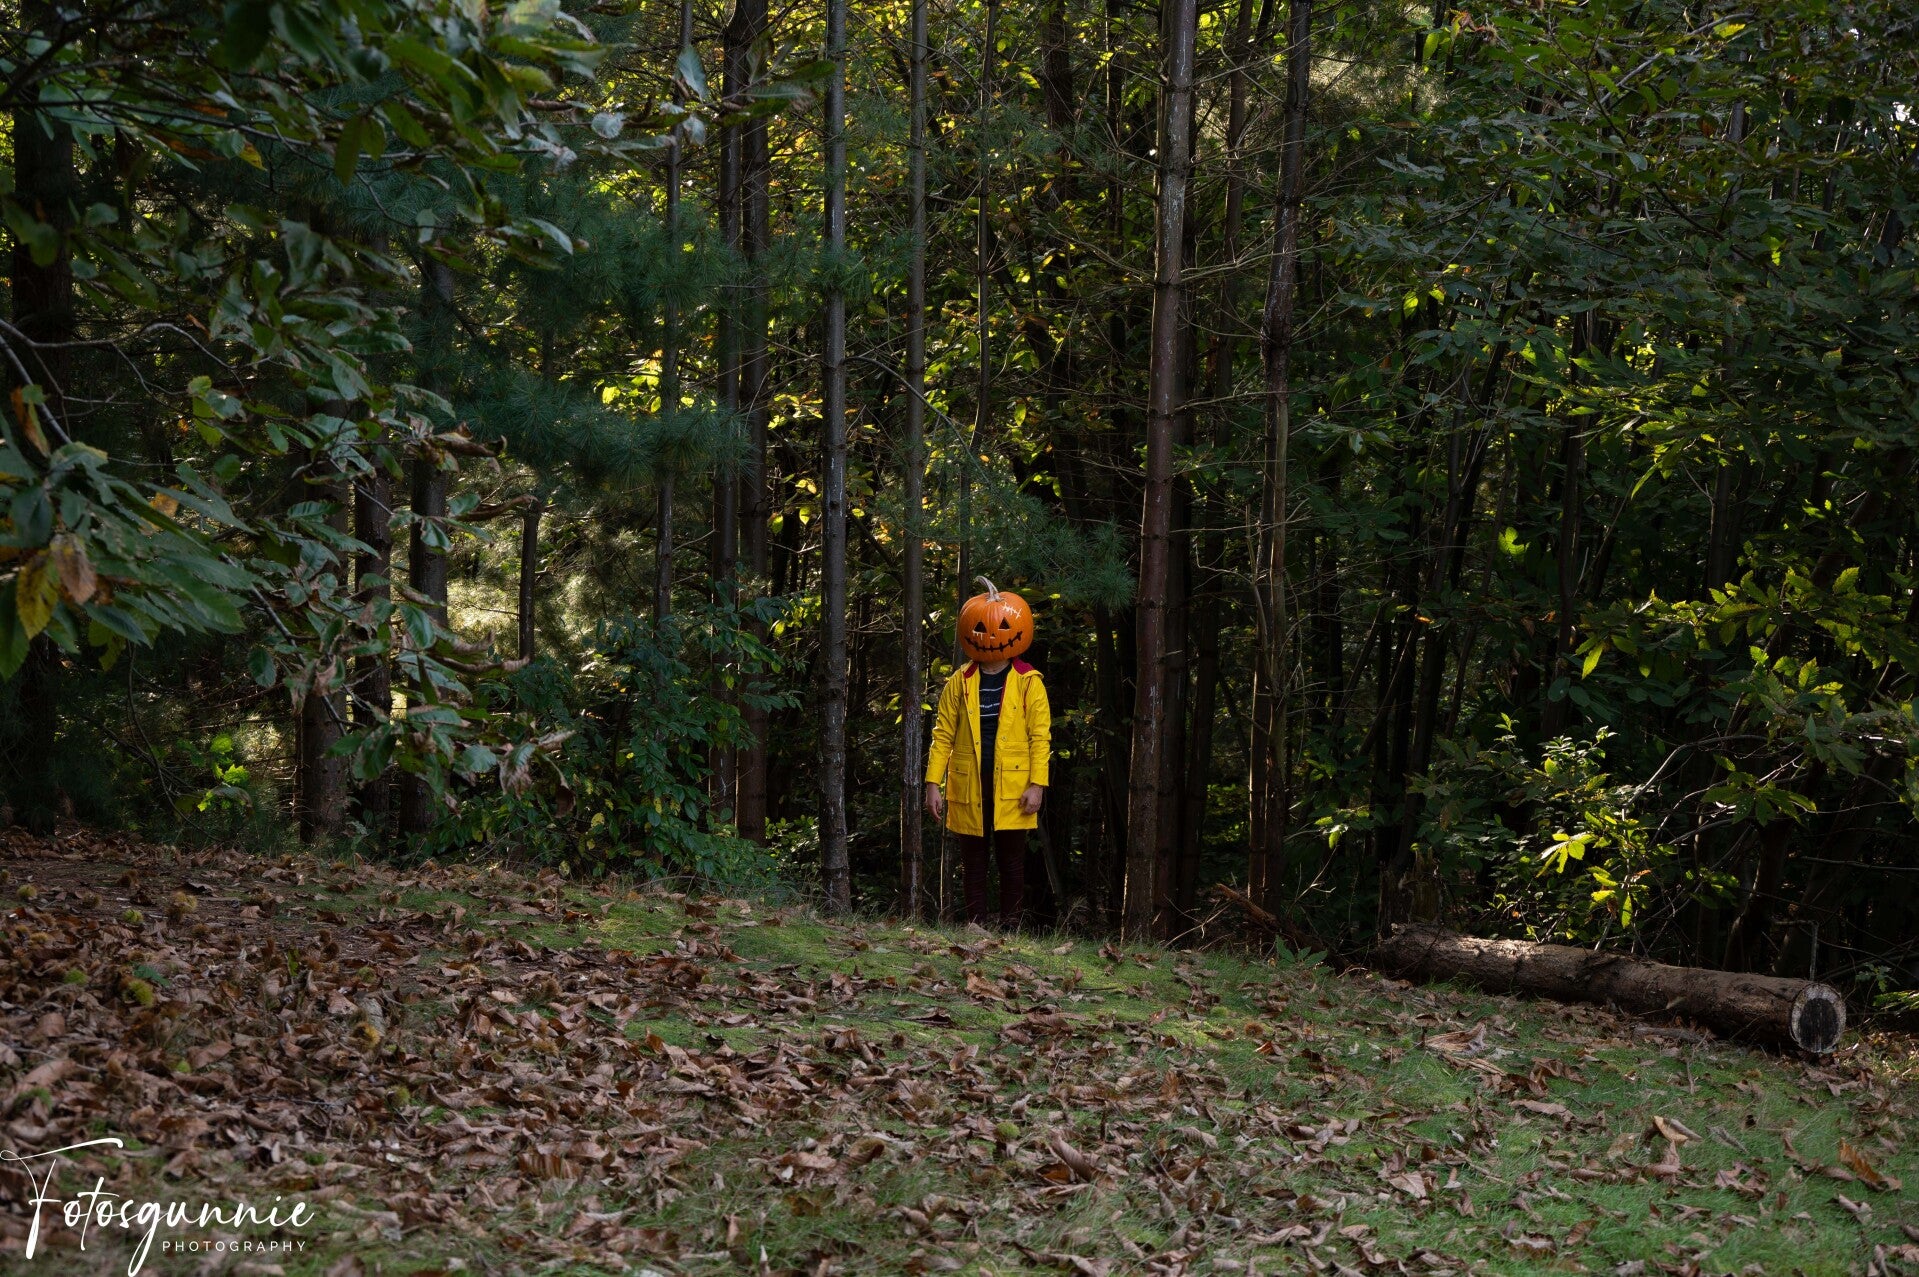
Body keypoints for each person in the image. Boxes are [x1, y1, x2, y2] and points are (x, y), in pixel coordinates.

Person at [924, 578, 1050, 927]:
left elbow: (1040, 738)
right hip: (969, 784)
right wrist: (933, 783)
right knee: (973, 862)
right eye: (980, 628)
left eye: (1003, 627)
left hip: (1014, 786)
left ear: (1018, 632)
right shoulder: (959, 682)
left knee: (1012, 862)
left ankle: (1010, 928)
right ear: (968, 632)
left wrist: (1037, 784)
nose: (992, 634)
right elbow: (943, 735)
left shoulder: (1029, 682)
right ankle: (975, 928)